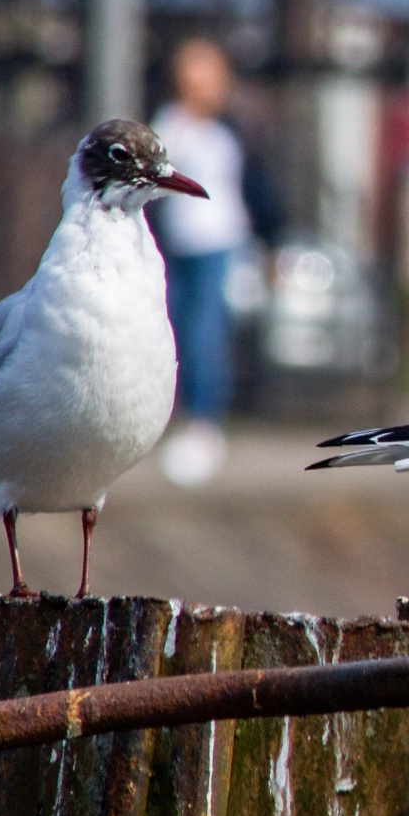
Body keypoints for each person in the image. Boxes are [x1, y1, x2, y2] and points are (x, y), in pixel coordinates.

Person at [150, 39, 252, 486]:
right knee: (174, 330)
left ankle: (204, 421)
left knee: (205, 332)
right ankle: (170, 416)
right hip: (180, 244)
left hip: (218, 243)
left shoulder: (230, 130)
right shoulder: (170, 125)